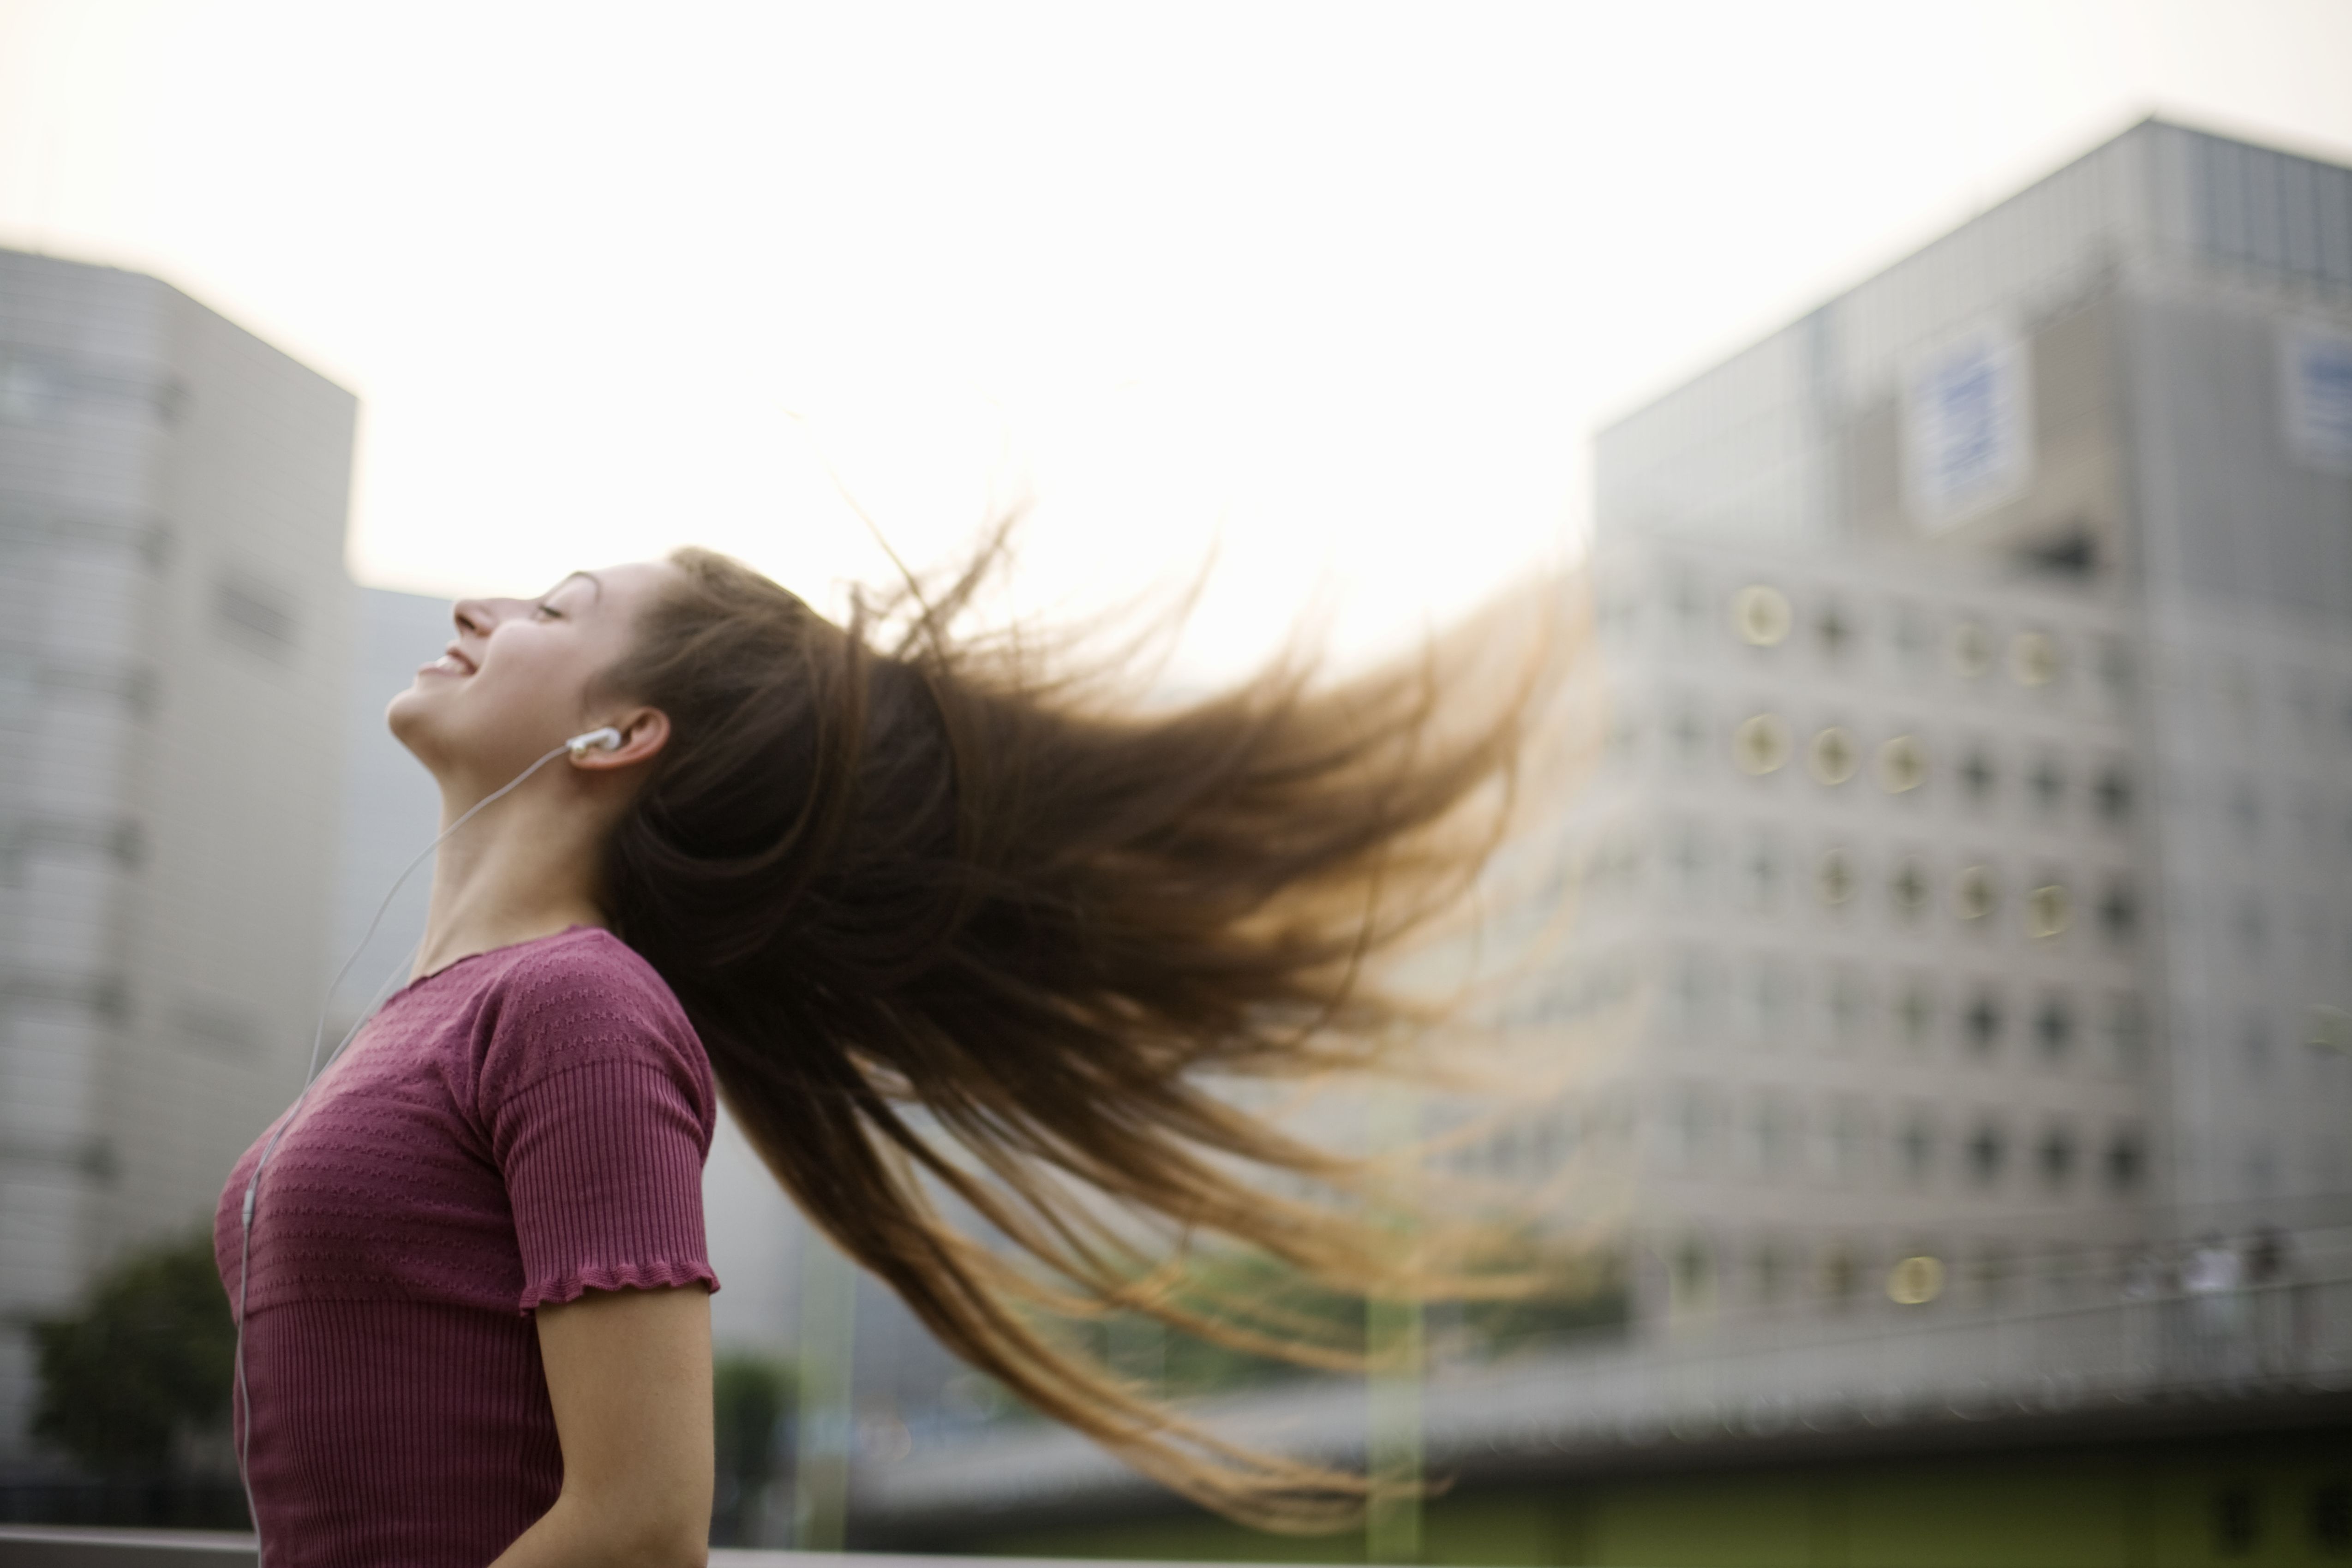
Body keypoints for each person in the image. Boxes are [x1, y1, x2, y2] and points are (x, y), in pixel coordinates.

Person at [216, 543, 1557, 1565]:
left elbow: (637, 1525)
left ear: (620, 736)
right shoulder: (432, 1013)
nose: (478, 612)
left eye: (551, 611)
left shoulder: (574, 1009)